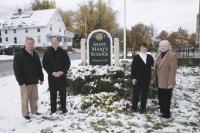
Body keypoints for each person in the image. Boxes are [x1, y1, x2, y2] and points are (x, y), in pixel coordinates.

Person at [13, 37, 44, 120]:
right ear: (25, 44)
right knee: (25, 98)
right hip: (24, 82)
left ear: (33, 45)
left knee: (34, 98)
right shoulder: (19, 55)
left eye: (32, 44)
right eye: (28, 43)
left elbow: (39, 67)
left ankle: (34, 110)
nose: (30, 45)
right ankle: (25, 113)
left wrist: (41, 77)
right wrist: (20, 82)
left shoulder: (35, 54)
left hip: (34, 81)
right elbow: (17, 70)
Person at [42, 36, 71, 114]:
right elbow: (45, 64)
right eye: (53, 42)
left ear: (59, 42)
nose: (54, 43)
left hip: (62, 77)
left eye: (56, 41)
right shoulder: (47, 52)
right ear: (51, 42)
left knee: (63, 94)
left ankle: (64, 109)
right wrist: (52, 72)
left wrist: (62, 71)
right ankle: (53, 110)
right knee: (53, 94)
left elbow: (67, 63)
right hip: (52, 77)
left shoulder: (63, 52)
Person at [154, 40, 177, 119]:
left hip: (167, 81)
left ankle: (167, 114)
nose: (162, 47)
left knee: (166, 98)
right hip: (159, 80)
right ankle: (162, 111)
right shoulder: (158, 54)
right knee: (161, 97)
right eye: (161, 45)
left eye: (164, 45)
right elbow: (157, 67)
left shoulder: (172, 55)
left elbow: (173, 70)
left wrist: (170, 82)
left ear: (168, 46)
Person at [131, 43, 154, 113]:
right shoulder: (136, 57)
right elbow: (133, 69)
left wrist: (152, 78)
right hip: (137, 79)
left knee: (144, 94)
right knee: (136, 94)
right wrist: (133, 78)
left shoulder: (150, 57)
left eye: (145, 47)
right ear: (139, 48)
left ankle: (142, 109)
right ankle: (134, 108)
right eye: (141, 47)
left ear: (147, 48)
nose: (143, 49)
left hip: (147, 79)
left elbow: (153, 67)